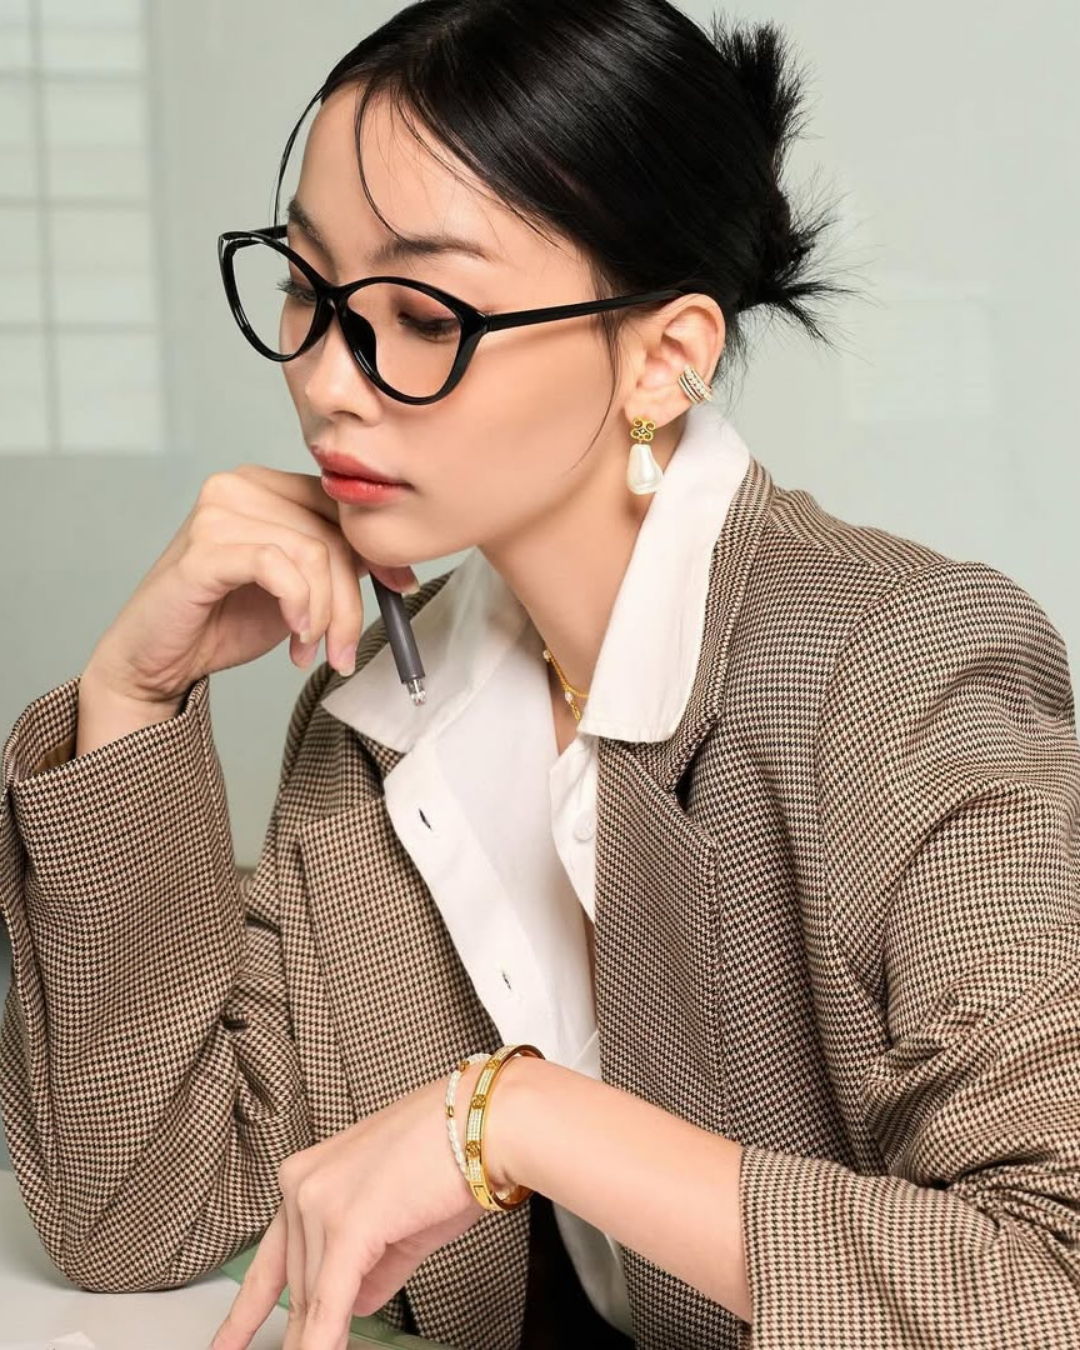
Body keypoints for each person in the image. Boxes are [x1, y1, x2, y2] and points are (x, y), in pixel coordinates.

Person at [2, 2, 1078, 1349]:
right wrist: (133, 700)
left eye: (422, 312)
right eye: (309, 290)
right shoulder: (382, 713)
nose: (328, 379)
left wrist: (511, 1119)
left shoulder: (905, 670)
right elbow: (131, 1219)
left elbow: (1052, 1281)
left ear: (664, 359)